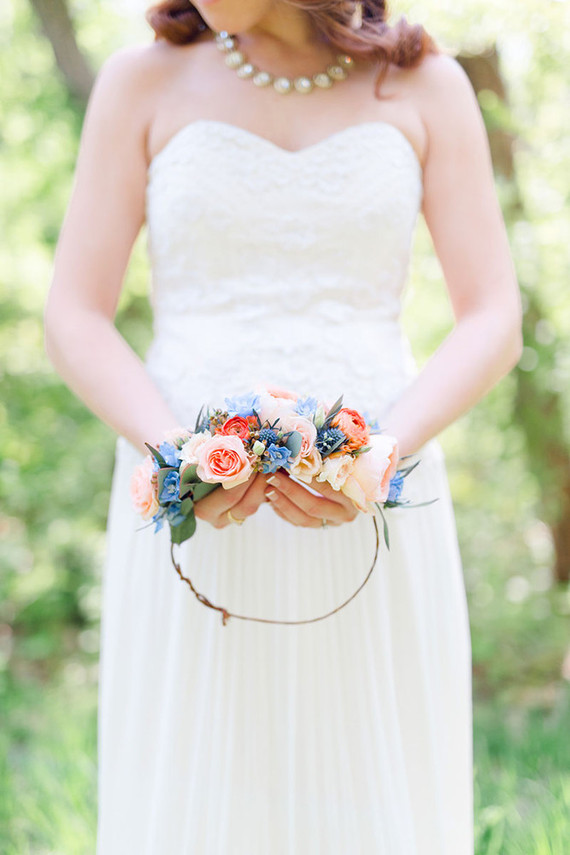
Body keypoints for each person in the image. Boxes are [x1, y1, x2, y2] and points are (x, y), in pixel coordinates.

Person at [44, 1, 523, 852]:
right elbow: (75, 316)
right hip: (192, 510)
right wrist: (178, 459)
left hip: (380, 491)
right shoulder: (140, 82)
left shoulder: (423, 84)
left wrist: (381, 455)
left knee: (374, 780)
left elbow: (491, 317)